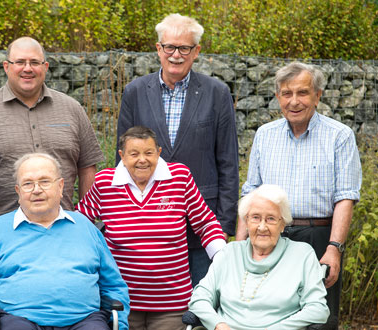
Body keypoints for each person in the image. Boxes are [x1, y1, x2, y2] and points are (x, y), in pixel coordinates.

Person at [117, 13, 239, 287]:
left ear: (196, 51)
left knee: (199, 307)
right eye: (169, 47)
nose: (176, 55)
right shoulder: (135, 92)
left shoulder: (217, 93)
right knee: (148, 304)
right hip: (146, 225)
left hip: (202, 229)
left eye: (184, 48)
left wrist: (224, 225)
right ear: (158, 49)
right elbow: (122, 159)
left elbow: (228, 162)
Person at [239, 62, 362, 328]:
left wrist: (334, 248)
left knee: (319, 318)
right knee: (267, 317)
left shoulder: (339, 136)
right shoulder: (264, 135)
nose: (294, 101)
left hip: (317, 238)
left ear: (318, 96)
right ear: (277, 97)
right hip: (269, 236)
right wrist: (240, 246)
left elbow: (345, 197)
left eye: (303, 93)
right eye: (287, 93)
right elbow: (250, 193)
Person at [0, 153, 129, 330]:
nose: (36, 190)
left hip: (84, 320)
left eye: (45, 181)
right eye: (28, 184)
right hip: (18, 321)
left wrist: (120, 324)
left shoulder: (85, 227)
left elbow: (114, 285)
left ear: (61, 186)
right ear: (18, 191)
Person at [77, 126, 226, 330]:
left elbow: (206, 223)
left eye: (149, 153)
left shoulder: (179, 178)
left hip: (173, 303)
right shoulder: (105, 182)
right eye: (134, 154)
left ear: (159, 152)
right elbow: (80, 224)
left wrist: (222, 259)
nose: (142, 160)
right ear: (121, 155)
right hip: (121, 303)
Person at [0, 36, 104, 220]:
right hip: (4, 235)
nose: (27, 69)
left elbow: (87, 167)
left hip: (64, 233)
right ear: (6, 66)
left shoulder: (72, 109)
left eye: (34, 62)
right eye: (20, 62)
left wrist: (86, 224)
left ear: (45, 67)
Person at [189, 184, 330, 329]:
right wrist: (218, 324)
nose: (262, 227)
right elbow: (199, 298)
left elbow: (318, 308)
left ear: (282, 224)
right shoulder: (229, 253)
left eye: (271, 219)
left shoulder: (302, 255)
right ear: (246, 221)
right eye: (256, 218)